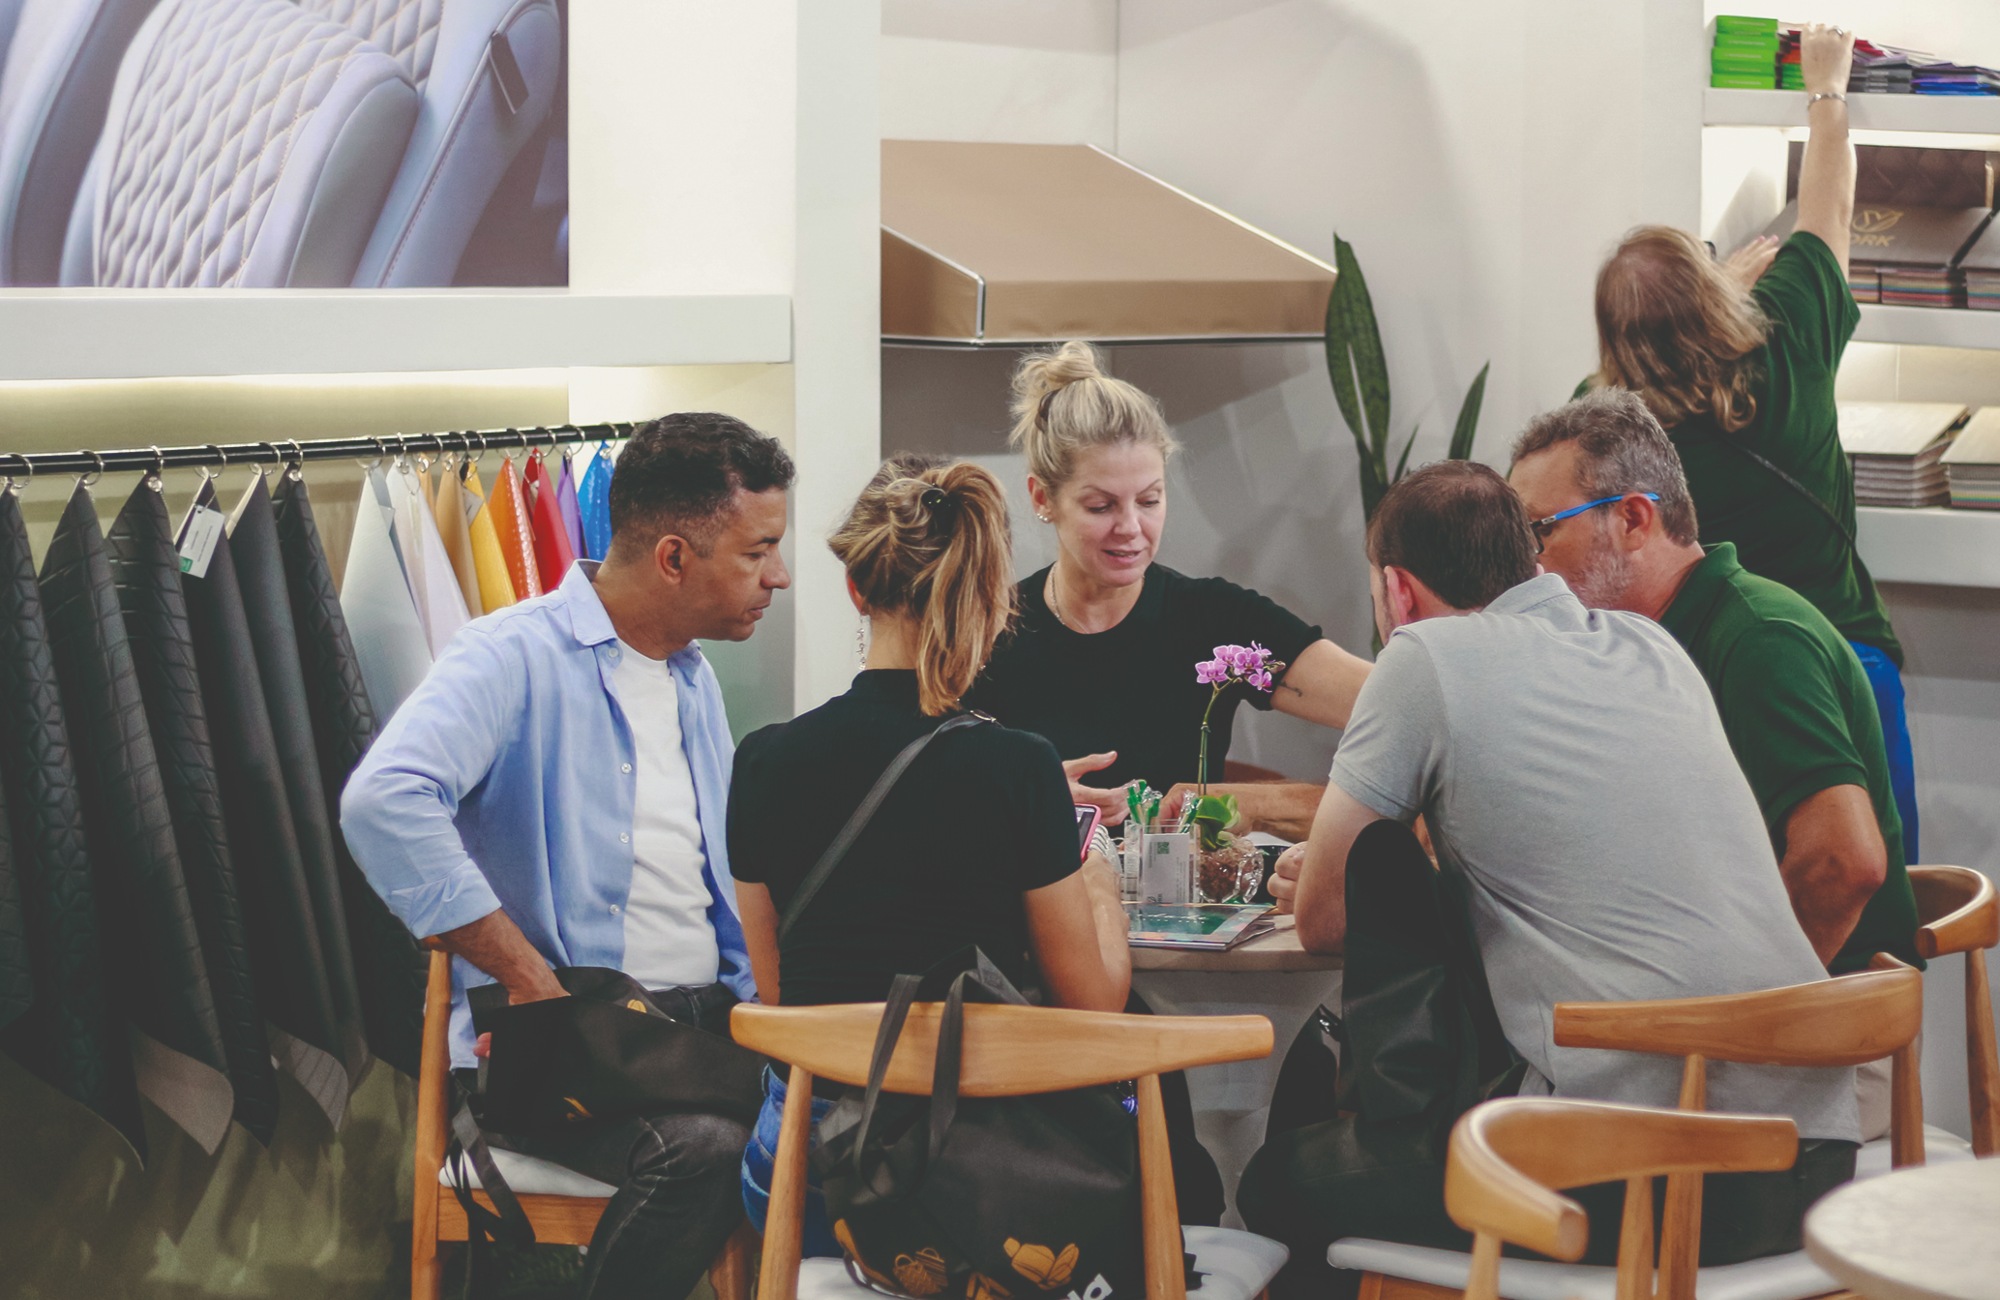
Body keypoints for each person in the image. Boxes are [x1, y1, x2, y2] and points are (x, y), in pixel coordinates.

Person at [1238, 462, 1858, 1298]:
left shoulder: (1424, 657)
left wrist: (1316, 878)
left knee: (1277, 1181)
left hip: (1640, 1171)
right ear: (1529, 562)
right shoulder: (1651, 646)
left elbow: (1326, 919)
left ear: (1397, 591)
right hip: (1814, 1161)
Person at [341, 413, 794, 1300]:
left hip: (699, 1037)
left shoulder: (693, 677)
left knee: (842, 1126)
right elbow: (383, 800)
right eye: (758, 552)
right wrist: (526, 978)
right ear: (673, 557)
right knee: (707, 1152)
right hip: (562, 1048)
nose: (777, 576)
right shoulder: (508, 655)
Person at [729, 456, 1135, 1249]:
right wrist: (1097, 877)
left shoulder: (763, 758)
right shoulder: (1019, 767)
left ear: (856, 588)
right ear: (991, 598)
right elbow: (1093, 1009)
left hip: (806, 1176)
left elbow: (781, 993)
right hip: (962, 1178)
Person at [1509, 388, 1919, 1137]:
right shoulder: (1643, 645)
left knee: (1515, 1144)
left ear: (1634, 520)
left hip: (1822, 1047)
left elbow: (1845, 861)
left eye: (1540, 532)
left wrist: (1738, 1023)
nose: (1526, 565)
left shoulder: (1758, 638)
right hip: (1724, 1025)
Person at [1586, 26, 1918, 864]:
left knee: (1733, 896)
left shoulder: (1610, 433)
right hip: (1845, 659)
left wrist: (1705, 298)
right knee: (1872, 885)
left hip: (1703, 688)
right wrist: (1827, 91)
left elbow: (1606, 388)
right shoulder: (1790, 340)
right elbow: (1828, 209)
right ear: (1710, 291)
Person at [966, 341, 1371, 824]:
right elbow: (926, 800)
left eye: (1150, 500)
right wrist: (1030, 795)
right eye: (1101, 506)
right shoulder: (985, 632)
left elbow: (1403, 711)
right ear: (1042, 498)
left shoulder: (1218, 621)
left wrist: (1246, 803)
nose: (1130, 527)